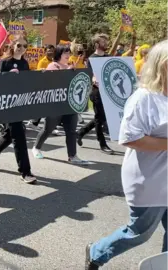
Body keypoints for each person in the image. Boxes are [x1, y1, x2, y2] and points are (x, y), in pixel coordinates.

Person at [85, 39, 168, 270]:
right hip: (150, 180)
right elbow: (130, 138)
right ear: (164, 65)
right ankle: (97, 252)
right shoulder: (144, 98)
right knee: (139, 232)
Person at [0, 35, 37, 184]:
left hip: (19, 104)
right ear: (12, 46)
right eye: (19, 45)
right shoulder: (5, 62)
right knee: (19, 136)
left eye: (25, 46)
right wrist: (8, 77)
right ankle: (25, 172)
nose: (21, 48)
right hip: (7, 105)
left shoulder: (25, 63)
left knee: (10, 134)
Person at [32, 45, 89, 165]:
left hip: (69, 103)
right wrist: (67, 72)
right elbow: (52, 82)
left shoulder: (70, 66)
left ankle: (72, 155)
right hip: (55, 104)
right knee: (48, 128)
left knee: (71, 131)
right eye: (65, 53)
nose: (68, 55)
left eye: (68, 53)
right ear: (58, 54)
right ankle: (36, 147)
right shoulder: (53, 66)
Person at [76, 33, 114, 154]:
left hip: (106, 91)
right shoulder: (92, 58)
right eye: (103, 42)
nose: (106, 44)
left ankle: (81, 132)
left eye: (106, 42)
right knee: (99, 118)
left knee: (101, 118)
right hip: (96, 92)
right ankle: (102, 144)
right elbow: (91, 74)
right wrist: (94, 79)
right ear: (97, 44)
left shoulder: (108, 57)